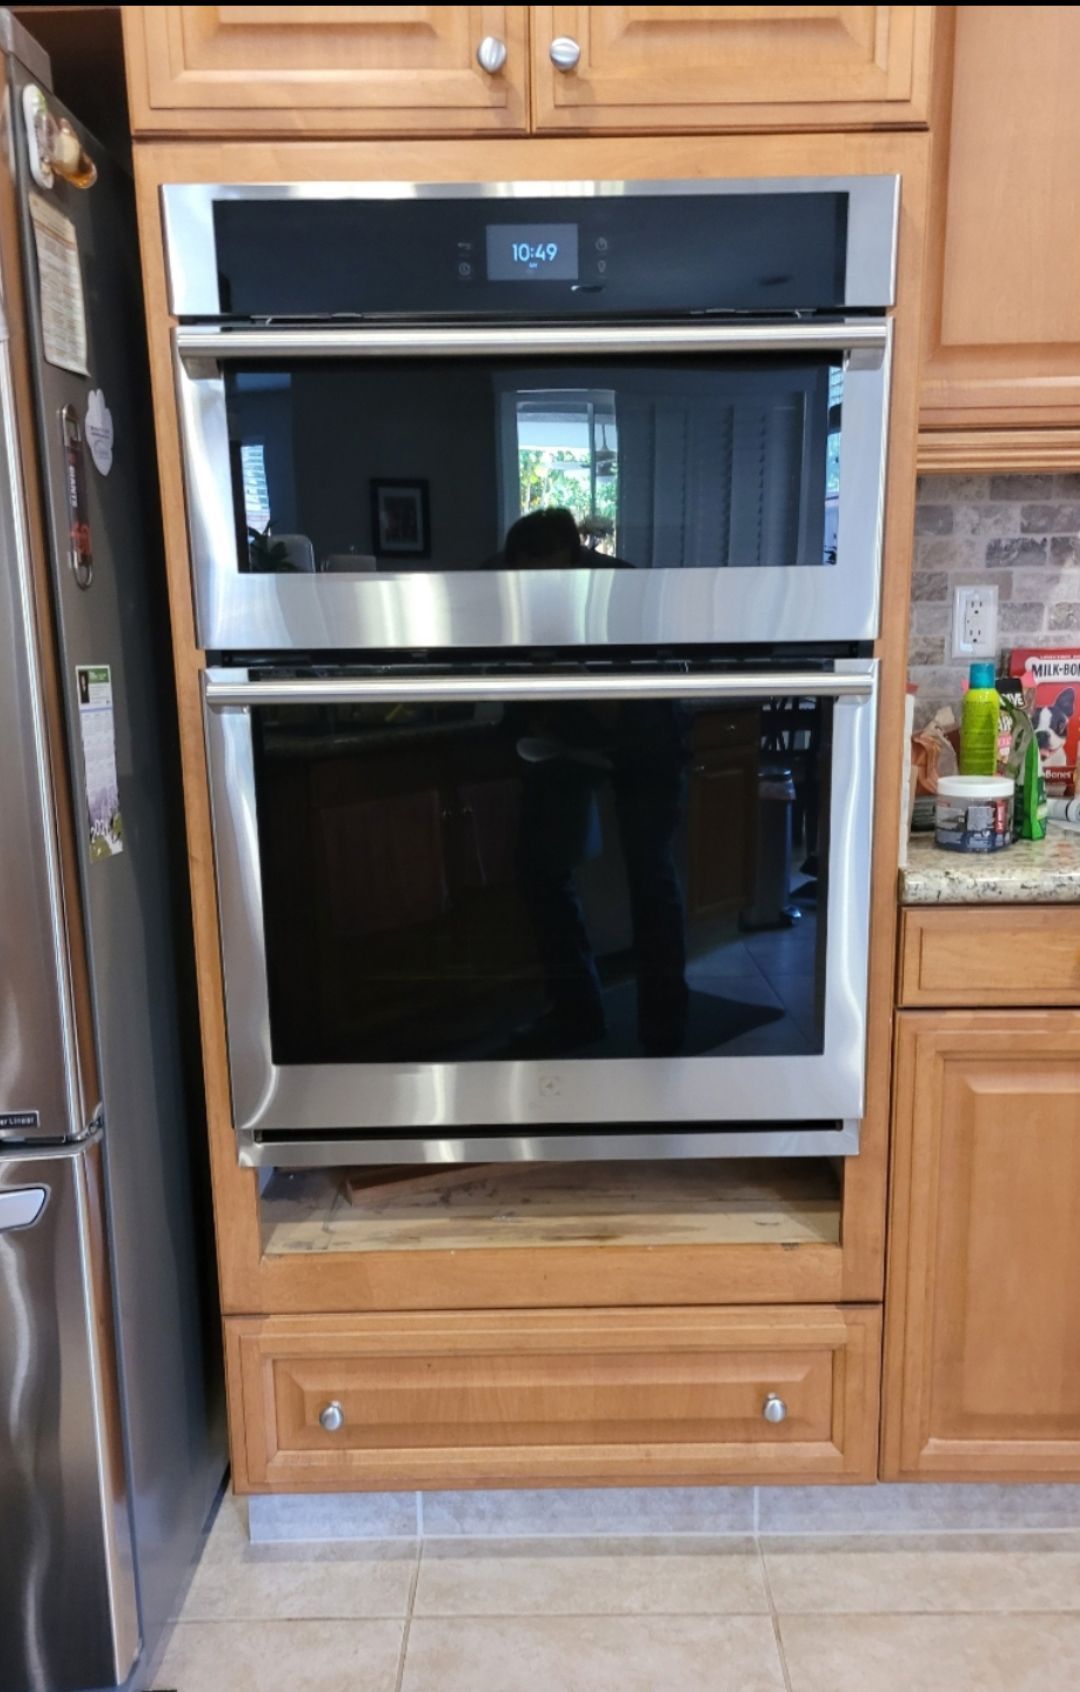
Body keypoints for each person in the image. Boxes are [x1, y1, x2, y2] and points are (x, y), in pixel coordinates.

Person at [504, 511, 688, 1056]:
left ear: (577, 559)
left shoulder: (624, 593)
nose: (539, 594)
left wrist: (579, 683)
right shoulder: (503, 585)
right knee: (539, 866)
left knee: (650, 877)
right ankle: (575, 1011)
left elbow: (643, 705)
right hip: (565, 739)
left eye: (551, 580)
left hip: (647, 740)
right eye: (527, 581)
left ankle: (664, 1026)